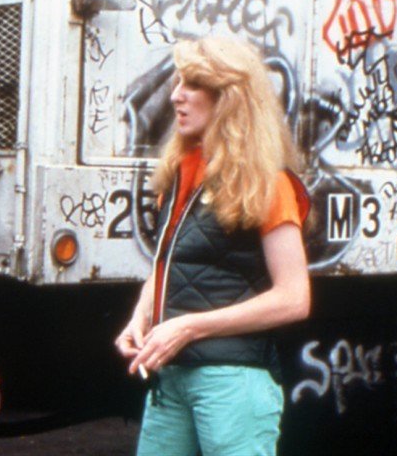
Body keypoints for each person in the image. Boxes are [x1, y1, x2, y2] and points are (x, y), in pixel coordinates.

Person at [115, 37, 312, 456]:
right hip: (172, 378)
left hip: (232, 383)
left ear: (228, 99)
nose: (175, 96)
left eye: (193, 84)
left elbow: (294, 299)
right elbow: (170, 263)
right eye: (177, 82)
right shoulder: (185, 172)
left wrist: (188, 327)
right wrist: (140, 316)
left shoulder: (268, 183)